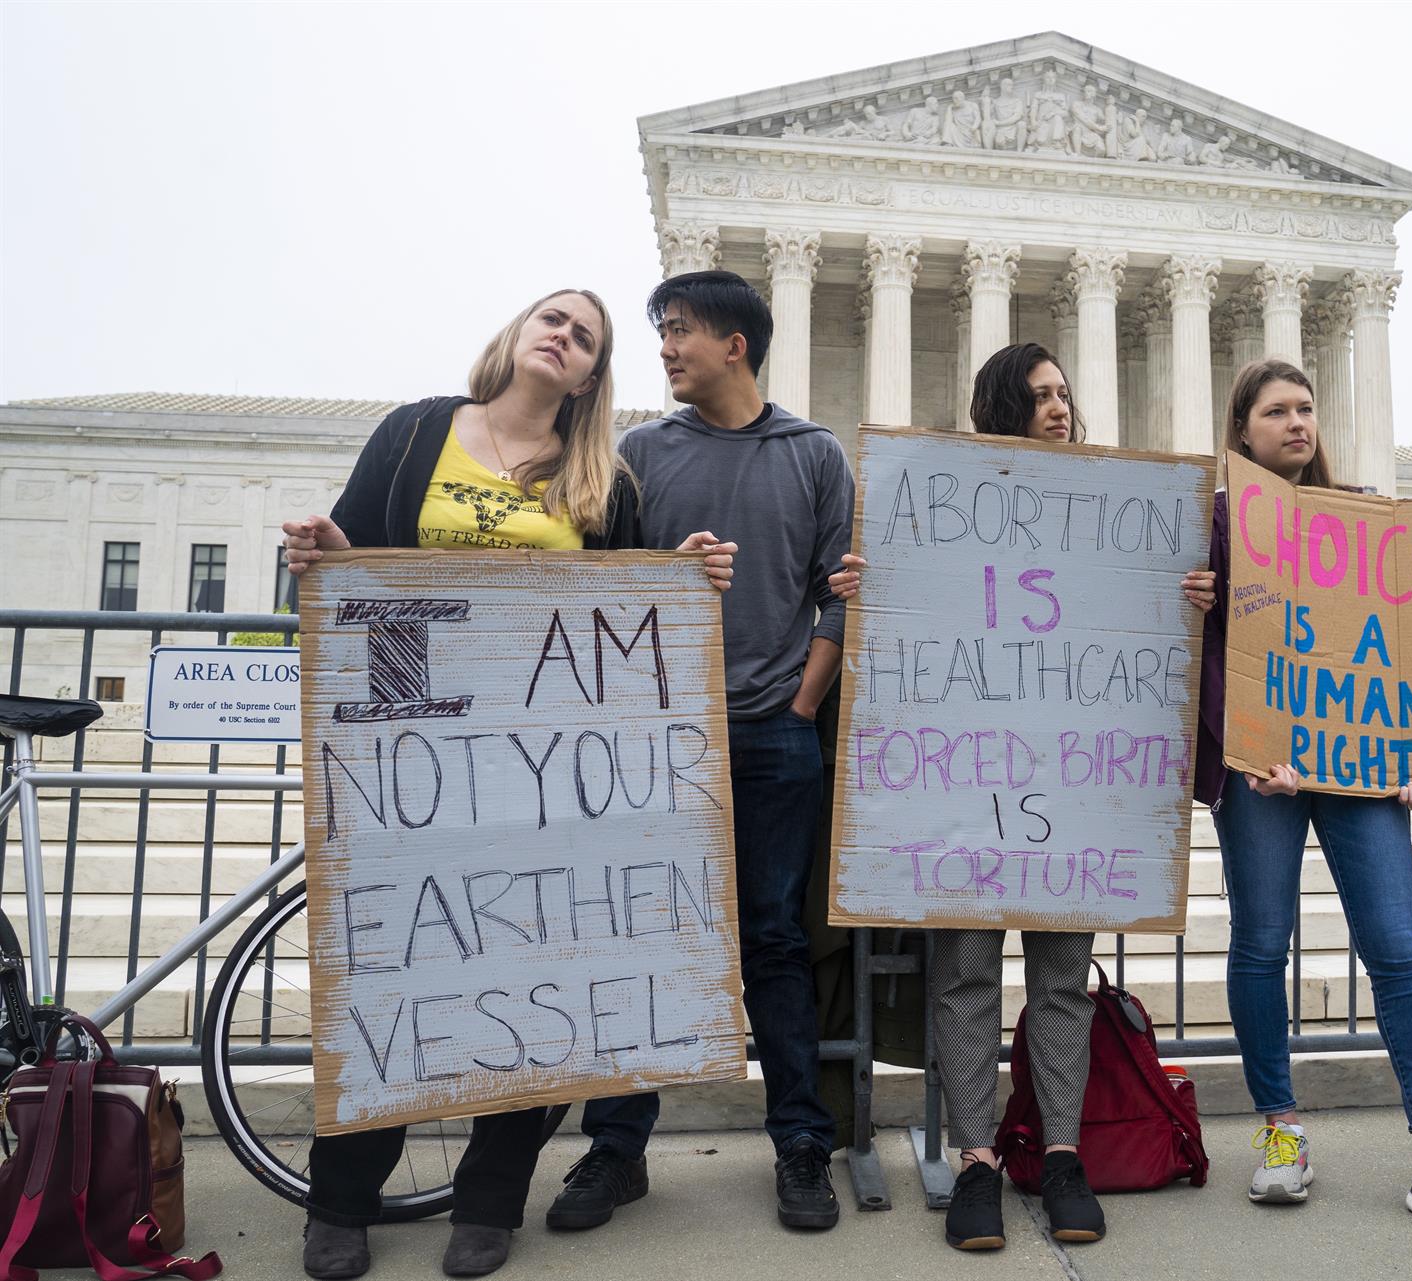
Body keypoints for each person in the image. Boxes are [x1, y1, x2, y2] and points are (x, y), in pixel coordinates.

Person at [280, 288, 735, 1280]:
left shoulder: (602, 481)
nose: (563, 334)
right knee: (387, 974)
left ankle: (490, 1201)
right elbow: (350, 573)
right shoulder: (414, 436)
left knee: (535, 975)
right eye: (553, 318)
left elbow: (622, 620)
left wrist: (683, 576)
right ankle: (341, 1199)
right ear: (518, 334)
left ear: (589, 374)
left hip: (536, 775)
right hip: (405, 757)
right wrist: (321, 552)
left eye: (585, 336)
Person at [828, 343, 1214, 1252]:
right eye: (1040, 394)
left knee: (1061, 981)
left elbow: (1132, 619)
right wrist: (864, 586)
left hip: (1071, 793)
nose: (1058, 408)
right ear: (1003, 402)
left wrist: (1186, 594)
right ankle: (974, 1160)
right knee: (964, 979)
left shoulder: (1115, 509)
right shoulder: (948, 504)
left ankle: (1065, 1151)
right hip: (968, 787)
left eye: (1065, 395)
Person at [553, 270, 855, 1236]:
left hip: (774, 734)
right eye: (663, 332)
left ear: (736, 344)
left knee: (773, 939)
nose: (667, 348)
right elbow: (596, 591)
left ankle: (801, 1145)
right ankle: (615, 1148)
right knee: (642, 933)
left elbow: (842, 589)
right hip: (656, 739)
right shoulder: (636, 454)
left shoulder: (814, 455)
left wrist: (803, 702)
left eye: (680, 331)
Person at [1198, 358, 1412, 1240]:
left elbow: (1407, 645)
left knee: (1396, 945)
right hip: (1262, 766)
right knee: (1261, 943)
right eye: (1277, 411)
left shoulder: (1370, 517)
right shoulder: (1216, 519)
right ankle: (1280, 1128)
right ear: (1244, 428)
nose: (1298, 422)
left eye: (1306, 408)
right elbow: (1205, 644)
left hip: (1359, 765)